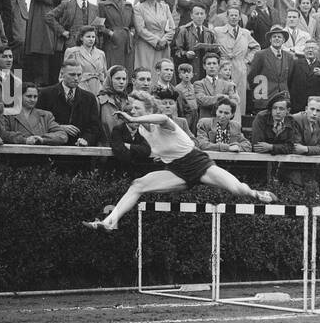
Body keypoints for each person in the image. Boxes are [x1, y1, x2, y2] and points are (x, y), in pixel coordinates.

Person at [85, 89, 276, 230]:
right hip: (176, 171)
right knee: (138, 184)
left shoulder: (166, 123)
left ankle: (256, 194)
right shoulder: (142, 130)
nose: (132, 111)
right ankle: (111, 220)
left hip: (199, 164)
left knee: (237, 190)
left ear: (149, 110)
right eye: (131, 108)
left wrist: (134, 120)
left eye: (137, 108)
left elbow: (161, 118)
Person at [27, 0, 71, 84]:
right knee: (40, 49)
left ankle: (51, 83)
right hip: (40, 15)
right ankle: (39, 83)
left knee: (54, 52)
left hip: (55, 17)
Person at [37, 63, 102, 147]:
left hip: (80, 150)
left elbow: (94, 126)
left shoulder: (89, 98)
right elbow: (39, 121)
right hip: (52, 147)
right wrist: (59, 127)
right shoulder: (46, 94)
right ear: (62, 74)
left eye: (79, 75)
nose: (76, 78)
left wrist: (86, 139)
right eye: (72, 74)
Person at [133, 0, 176, 73]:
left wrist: (164, 40)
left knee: (162, 71)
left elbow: (172, 27)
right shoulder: (139, 8)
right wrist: (156, 41)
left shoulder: (165, 7)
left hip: (163, 45)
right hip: (146, 44)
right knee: (146, 71)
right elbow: (140, 29)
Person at [3, 81, 69, 145]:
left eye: (35, 97)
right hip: (14, 154)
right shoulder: (8, 114)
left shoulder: (45, 115)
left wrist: (42, 139)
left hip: (40, 155)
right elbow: (3, 133)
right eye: (29, 96)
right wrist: (24, 140)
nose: (32, 100)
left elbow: (62, 135)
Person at [97, 0, 134, 73]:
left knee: (127, 68)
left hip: (127, 41)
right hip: (112, 42)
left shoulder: (128, 6)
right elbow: (99, 25)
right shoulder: (103, 5)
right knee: (113, 68)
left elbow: (133, 25)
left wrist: (132, 34)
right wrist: (111, 34)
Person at [98, 65, 134, 135]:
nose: (121, 82)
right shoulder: (100, 101)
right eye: (118, 78)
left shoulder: (129, 101)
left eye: (124, 79)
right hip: (105, 144)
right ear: (110, 79)